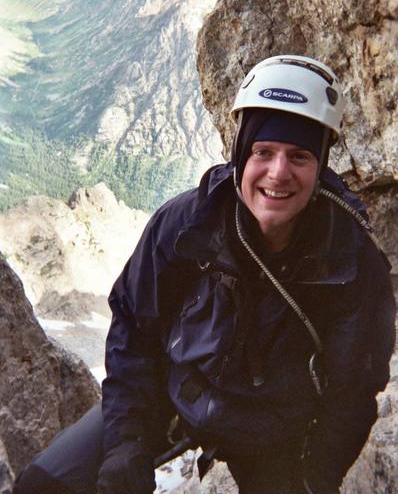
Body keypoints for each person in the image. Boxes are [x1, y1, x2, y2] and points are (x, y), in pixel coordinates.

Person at [14, 55, 396, 494]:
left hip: (274, 434)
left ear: (321, 166)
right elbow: (134, 332)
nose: (278, 172)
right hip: (172, 395)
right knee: (43, 485)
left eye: (299, 156)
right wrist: (126, 443)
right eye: (263, 152)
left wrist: (316, 477)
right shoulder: (185, 225)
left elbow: (354, 390)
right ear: (240, 155)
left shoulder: (350, 260)